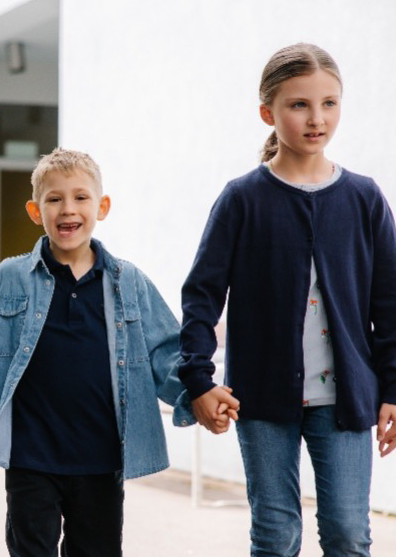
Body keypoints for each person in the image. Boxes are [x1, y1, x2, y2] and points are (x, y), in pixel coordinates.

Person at [0, 148, 200, 556]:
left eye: (80, 197)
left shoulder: (128, 281)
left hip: (101, 460)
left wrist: (199, 398)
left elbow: (166, 355)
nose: (68, 209)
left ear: (103, 206)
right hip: (30, 458)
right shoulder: (10, 278)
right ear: (34, 210)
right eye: (54, 199)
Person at [179, 43, 396, 557]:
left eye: (329, 103)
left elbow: (389, 306)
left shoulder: (364, 198)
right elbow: (201, 297)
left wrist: (393, 387)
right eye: (299, 105)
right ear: (267, 113)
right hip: (261, 398)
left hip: (345, 401)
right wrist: (198, 380)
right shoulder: (242, 199)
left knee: (348, 533)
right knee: (276, 536)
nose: (317, 118)